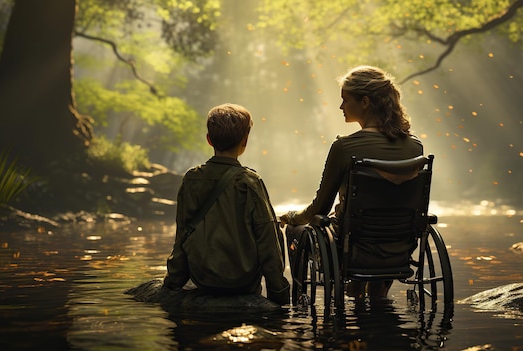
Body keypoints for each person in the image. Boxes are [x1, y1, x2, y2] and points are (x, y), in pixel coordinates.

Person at [279, 65, 424, 298]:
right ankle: (377, 294)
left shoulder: (345, 148)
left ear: (365, 102)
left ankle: (301, 300)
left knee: (297, 230)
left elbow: (319, 209)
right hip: (399, 248)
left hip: (353, 250)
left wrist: (293, 217)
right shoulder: (415, 147)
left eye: (345, 100)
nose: (341, 106)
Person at [163, 103, 290, 305]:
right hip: (242, 282)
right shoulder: (250, 182)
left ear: (209, 139)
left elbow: (182, 235)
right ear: (245, 141)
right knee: (274, 229)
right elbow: (267, 242)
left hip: (203, 279)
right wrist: (279, 294)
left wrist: (172, 284)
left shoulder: (191, 179)